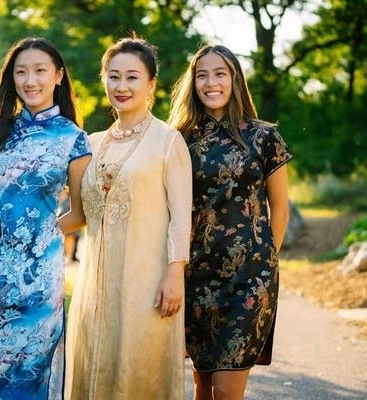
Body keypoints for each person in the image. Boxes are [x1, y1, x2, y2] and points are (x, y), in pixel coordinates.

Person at [65, 35, 192, 400]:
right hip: (94, 288)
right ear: (103, 79)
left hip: (147, 285)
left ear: (151, 85)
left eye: (132, 77)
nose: (122, 86)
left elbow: (182, 216)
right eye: (114, 76)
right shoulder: (90, 143)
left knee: (138, 370)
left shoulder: (168, 142)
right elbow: (80, 214)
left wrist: (174, 274)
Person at [0, 37, 91, 399]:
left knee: (25, 375)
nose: (30, 80)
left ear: (58, 76)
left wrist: (42, 234)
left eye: (39, 71)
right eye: (21, 72)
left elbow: (80, 213)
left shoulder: (74, 139)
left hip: (39, 278)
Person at [167, 44, 293, 400]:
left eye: (219, 73)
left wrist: (266, 261)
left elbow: (279, 207)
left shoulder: (264, 136)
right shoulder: (178, 140)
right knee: (202, 385)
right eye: (202, 75)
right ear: (193, 83)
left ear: (235, 79)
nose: (211, 83)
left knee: (226, 388)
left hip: (250, 278)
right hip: (196, 275)